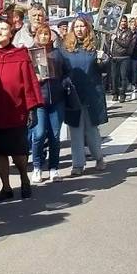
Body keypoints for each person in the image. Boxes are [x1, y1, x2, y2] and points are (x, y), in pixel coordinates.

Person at [0, 17, 42, 201]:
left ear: (11, 33)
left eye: (4, 29)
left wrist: (32, 108)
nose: (0, 32)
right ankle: (6, 187)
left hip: (16, 111)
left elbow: (30, 83)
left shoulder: (20, 56)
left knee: (18, 153)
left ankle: (24, 179)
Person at [60, 16, 108, 176]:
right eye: (77, 27)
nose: (79, 29)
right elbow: (62, 70)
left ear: (87, 28)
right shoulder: (65, 49)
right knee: (75, 131)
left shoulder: (94, 48)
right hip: (73, 94)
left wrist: (104, 60)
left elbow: (104, 70)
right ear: (73, 30)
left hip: (91, 93)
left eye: (82, 26)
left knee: (92, 130)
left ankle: (98, 157)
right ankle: (78, 164)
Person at [28, 24, 70, 182]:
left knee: (55, 135)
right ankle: (37, 167)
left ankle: (54, 168)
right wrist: (35, 79)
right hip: (39, 100)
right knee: (38, 135)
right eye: (41, 34)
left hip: (57, 100)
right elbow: (25, 76)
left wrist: (64, 83)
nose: (44, 37)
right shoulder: (31, 53)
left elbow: (67, 72)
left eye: (47, 34)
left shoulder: (58, 53)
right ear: (36, 36)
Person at [108, 16, 136, 103]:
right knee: (114, 77)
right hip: (114, 57)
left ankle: (122, 94)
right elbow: (109, 42)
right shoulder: (114, 31)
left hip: (124, 57)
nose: (123, 23)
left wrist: (116, 39)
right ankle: (115, 93)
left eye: (125, 21)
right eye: (122, 21)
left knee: (123, 77)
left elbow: (126, 44)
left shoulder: (129, 32)